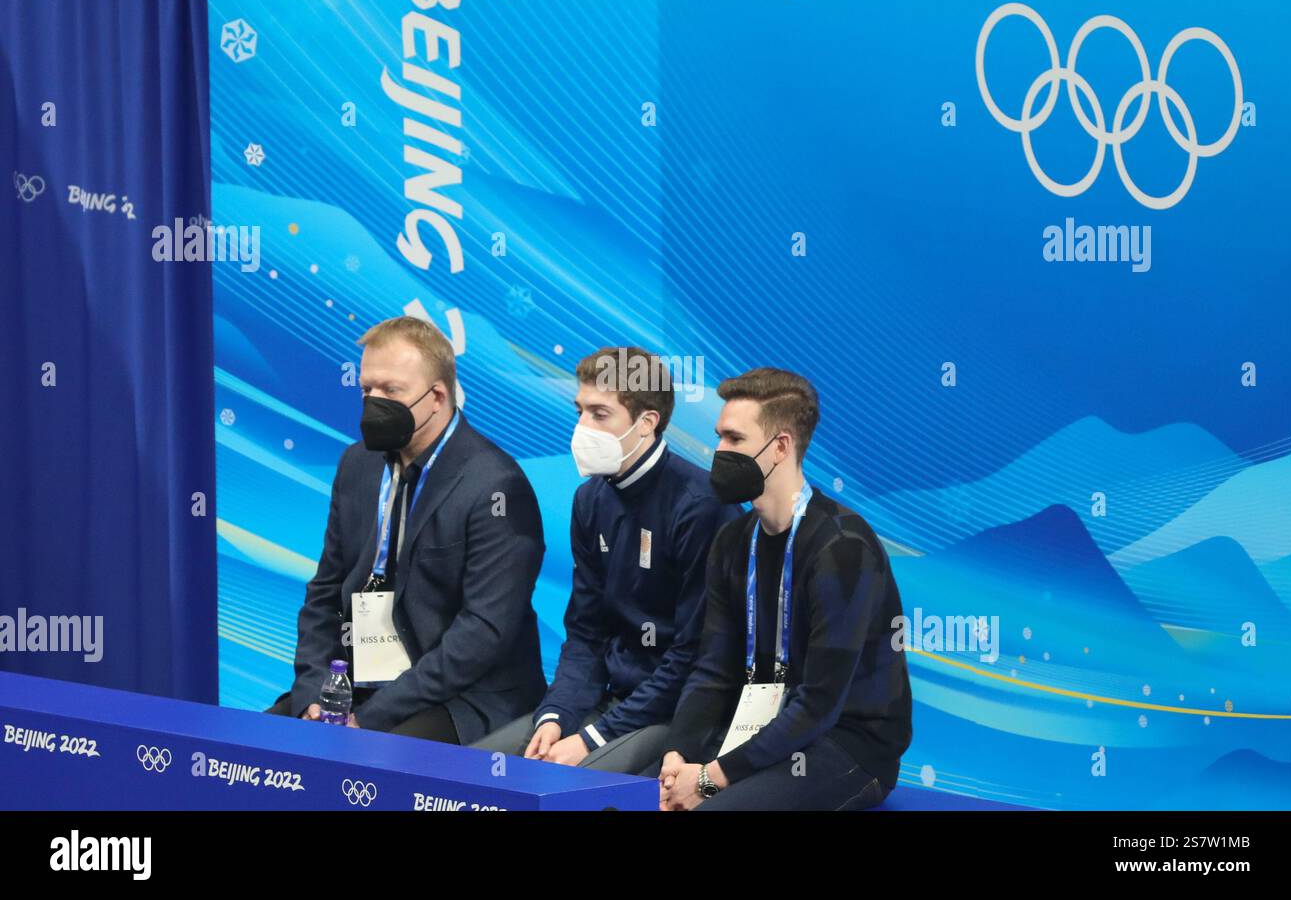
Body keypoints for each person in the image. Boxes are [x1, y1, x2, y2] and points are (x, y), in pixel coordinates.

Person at [265, 315, 546, 744]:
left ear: (436, 397)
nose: (373, 402)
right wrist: (314, 694)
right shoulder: (356, 464)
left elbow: (482, 633)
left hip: (461, 697)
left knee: (374, 765)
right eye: (367, 389)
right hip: (358, 683)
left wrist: (373, 717)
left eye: (391, 391)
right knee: (253, 750)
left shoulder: (495, 484)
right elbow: (325, 591)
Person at [472, 346, 742, 774]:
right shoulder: (590, 499)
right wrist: (558, 712)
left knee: (566, 786)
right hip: (611, 700)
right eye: (580, 411)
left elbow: (694, 655)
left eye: (599, 414)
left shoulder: (701, 506)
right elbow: (586, 631)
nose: (582, 427)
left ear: (646, 423)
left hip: (683, 713)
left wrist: (594, 737)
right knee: (474, 771)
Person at [658, 367, 912, 810]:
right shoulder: (732, 541)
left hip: (847, 744)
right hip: (759, 728)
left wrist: (709, 779)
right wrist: (680, 755)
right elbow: (713, 670)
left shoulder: (843, 546)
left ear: (780, 447)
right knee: (635, 795)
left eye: (734, 440)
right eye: (719, 437)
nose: (718, 451)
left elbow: (819, 704)